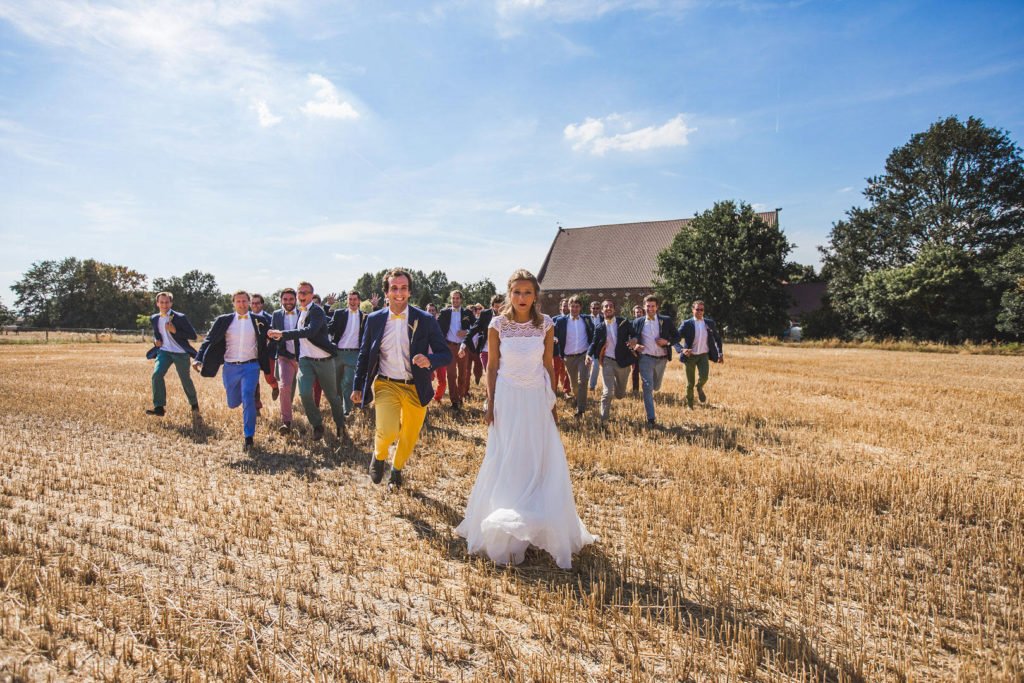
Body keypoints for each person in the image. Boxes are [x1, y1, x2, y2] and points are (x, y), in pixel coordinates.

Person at [456, 269, 596, 569]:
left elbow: (548, 366)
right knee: (506, 455)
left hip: (535, 397)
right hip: (506, 397)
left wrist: (553, 403)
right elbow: (492, 367)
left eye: (527, 293)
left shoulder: (545, 325)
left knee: (539, 456)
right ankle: (506, 524)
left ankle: (538, 522)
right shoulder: (497, 325)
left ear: (535, 296)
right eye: (517, 292)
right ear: (509, 294)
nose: (522, 298)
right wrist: (490, 402)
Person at [352, 269, 451, 488]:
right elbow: (365, 354)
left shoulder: (424, 320)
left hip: (417, 387)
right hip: (386, 383)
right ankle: (378, 455)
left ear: (409, 291)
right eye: (394, 288)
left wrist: (430, 360)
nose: (399, 293)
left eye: (403, 288)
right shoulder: (374, 320)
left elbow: (445, 353)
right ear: (386, 292)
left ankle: (396, 470)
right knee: (387, 431)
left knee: (408, 435)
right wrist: (357, 385)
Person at [192, 290, 272, 451]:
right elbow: (209, 340)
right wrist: (198, 357)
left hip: (251, 366)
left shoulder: (260, 320)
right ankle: (241, 403)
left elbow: (269, 338)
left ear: (249, 302)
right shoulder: (223, 320)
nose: (242, 304)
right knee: (233, 402)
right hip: (230, 367)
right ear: (233, 303)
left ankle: (249, 436)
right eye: (238, 301)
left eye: (244, 301)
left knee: (248, 396)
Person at [267, 282, 347, 441]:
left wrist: (282, 333)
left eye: (305, 293)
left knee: (332, 396)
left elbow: (310, 331)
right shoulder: (301, 312)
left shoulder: (316, 311)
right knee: (304, 393)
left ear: (312, 294)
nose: (302, 296)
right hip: (305, 360)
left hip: (324, 360)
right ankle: (317, 425)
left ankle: (340, 424)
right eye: (300, 293)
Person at [145, 291, 200, 417]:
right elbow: (157, 333)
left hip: (180, 353)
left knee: (185, 380)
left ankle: (194, 404)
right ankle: (159, 407)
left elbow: (193, 336)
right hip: (164, 352)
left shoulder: (180, 317)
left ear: (171, 303)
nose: (164, 305)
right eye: (162, 302)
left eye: (167, 302)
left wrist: (175, 331)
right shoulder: (154, 318)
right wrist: (155, 341)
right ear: (157, 303)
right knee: (156, 375)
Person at [628, 294, 677, 426]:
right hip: (646, 358)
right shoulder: (638, 322)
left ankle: (655, 387)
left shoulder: (665, 320)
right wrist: (635, 345)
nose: (650, 308)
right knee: (647, 387)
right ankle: (651, 418)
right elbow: (631, 337)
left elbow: (677, 336)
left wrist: (667, 342)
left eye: (653, 306)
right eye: (648, 306)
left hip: (661, 359)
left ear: (657, 307)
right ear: (644, 307)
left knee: (656, 386)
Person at [588, 300, 634, 421]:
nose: (608, 308)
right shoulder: (599, 327)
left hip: (623, 361)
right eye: (606, 306)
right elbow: (593, 343)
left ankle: (616, 386)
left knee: (620, 394)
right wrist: (588, 354)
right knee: (607, 392)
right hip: (607, 361)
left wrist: (634, 340)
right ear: (602, 310)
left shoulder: (623, 322)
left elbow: (634, 334)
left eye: (611, 306)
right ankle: (604, 420)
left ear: (614, 309)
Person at [553, 296, 595, 417]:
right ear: (569, 307)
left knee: (583, 381)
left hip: (583, 355)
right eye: (572, 306)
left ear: (580, 307)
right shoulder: (561, 321)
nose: (574, 309)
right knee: (574, 385)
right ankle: (578, 396)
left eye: (577, 306)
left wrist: (591, 352)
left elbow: (593, 335)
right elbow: (553, 333)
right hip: (568, 357)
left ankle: (580, 409)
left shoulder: (586, 319)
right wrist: (554, 338)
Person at [677, 299, 724, 408]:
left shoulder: (709, 323)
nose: (699, 312)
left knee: (704, 377)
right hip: (690, 357)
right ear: (692, 310)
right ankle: (690, 404)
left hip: (704, 355)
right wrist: (681, 350)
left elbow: (717, 338)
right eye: (697, 309)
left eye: (701, 310)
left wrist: (720, 353)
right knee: (690, 383)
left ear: (704, 311)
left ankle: (699, 387)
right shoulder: (687, 324)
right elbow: (675, 338)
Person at [328, 290, 366, 416]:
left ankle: (347, 411)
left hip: (354, 354)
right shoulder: (339, 314)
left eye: (355, 299)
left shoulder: (364, 317)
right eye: (350, 299)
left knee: (349, 382)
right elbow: (329, 328)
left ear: (359, 301)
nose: (352, 302)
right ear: (347, 301)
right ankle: (338, 408)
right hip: (338, 353)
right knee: (336, 383)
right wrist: (328, 307)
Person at [269, 288, 300, 433]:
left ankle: (314, 419)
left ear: (296, 300)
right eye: (285, 300)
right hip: (284, 356)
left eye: (291, 299)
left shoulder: (304, 313)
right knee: (284, 386)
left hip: (303, 357)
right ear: (281, 300)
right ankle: (286, 422)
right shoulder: (276, 315)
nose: (288, 302)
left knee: (308, 390)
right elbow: (272, 332)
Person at [437, 290, 474, 410]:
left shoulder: (467, 313)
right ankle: (454, 401)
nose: (455, 300)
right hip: (450, 346)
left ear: (461, 300)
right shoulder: (444, 313)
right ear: (450, 299)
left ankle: (461, 397)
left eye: (457, 298)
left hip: (463, 347)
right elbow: (437, 328)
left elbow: (476, 327)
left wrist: (466, 332)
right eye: (453, 298)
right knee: (451, 375)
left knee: (463, 374)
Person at [250, 293, 280, 410]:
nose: (255, 305)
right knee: (254, 381)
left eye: (257, 303)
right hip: (251, 354)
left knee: (269, 378)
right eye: (253, 303)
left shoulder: (269, 318)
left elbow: (274, 336)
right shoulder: (247, 318)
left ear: (262, 304)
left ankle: (274, 386)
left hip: (267, 353)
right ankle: (256, 406)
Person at [426, 303, 448, 403]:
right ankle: (426, 399)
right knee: (427, 381)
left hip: (440, 356)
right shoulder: (422, 325)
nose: (431, 312)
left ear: (436, 312)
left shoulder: (442, 324)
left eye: (433, 310)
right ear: (426, 311)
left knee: (443, 382)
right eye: (429, 310)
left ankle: (437, 398)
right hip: (427, 357)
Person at [552, 298, 572, 397]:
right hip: (557, 351)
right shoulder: (554, 319)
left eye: (567, 305)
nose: (565, 307)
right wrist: (554, 337)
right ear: (560, 307)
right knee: (555, 371)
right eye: (563, 305)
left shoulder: (572, 319)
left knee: (566, 373)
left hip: (569, 351)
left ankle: (566, 391)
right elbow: (550, 333)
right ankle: (553, 391)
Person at [587, 300, 602, 392]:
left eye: (597, 308)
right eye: (593, 308)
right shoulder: (585, 319)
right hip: (587, 346)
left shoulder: (603, 319)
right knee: (587, 366)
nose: (595, 310)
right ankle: (586, 383)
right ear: (590, 308)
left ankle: (592, 386)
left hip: (598, 347)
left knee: (596, 367)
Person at [630, 304, 644, 393]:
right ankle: (635, 390)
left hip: (646, 350)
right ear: (634, 314)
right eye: (637, 312)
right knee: (635, 371)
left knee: (646, 371)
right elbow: (629, 338)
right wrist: (633, 349)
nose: (638, 313)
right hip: (635, 351)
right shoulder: (631, 324)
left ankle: (647, 389)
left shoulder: (647, 323)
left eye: (640, 312)